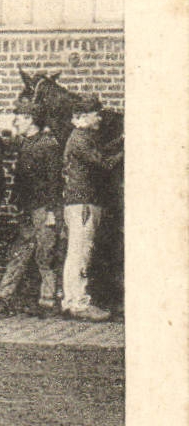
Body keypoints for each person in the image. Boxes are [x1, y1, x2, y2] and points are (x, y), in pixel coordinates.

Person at [60, 94, 122, 322]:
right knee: (80, 252)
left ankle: (72, 301)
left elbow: (101, 151)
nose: (99, 118)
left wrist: (121, 141)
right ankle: (78, 303)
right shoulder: (80, 139)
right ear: (83, 117)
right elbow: (104, 162)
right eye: (96, 114)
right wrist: (127, 149)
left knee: (78, 251)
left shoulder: (83, 137)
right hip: (83, 204)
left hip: (81, 203)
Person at [0, 116, 64, 315]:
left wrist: (51, 211)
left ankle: (48, 300)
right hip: (28, 209)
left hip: (43, 208)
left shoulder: (48, 145)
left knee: (45, 254)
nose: (15, 123)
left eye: (20, 118)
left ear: (31, 120)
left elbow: (55, 181)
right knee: (20, 252)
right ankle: (3, 295)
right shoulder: (26, 144)